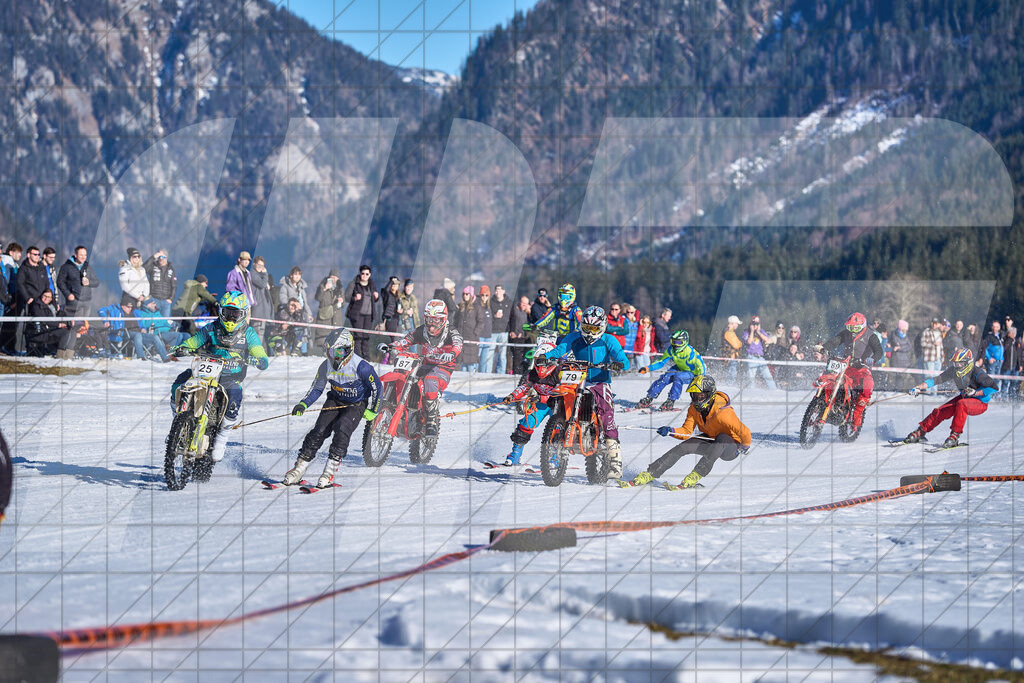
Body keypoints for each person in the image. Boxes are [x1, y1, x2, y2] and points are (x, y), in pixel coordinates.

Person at [169, 292, 269, 463]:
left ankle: (222, 438)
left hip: (231, 375)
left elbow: (261, 355)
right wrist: (182, 348)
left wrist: (258, 359)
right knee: (179, 382)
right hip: (205, 370)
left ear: (243, 314)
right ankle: (177, 427)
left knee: (235, 394)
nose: (230, 318)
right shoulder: (212, 328)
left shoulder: (249, 333)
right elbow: (193, 341)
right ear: (221, 312)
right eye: (227, 313)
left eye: (235, 314)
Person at [282, 328, 382, 488]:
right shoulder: (325, 366)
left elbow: (377, 387)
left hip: (356, 404)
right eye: (330, 351)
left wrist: (374, 410)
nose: (334, 356)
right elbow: (316, 388)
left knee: (342, 429)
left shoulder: (361, 367)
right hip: (335, 400)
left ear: (349, 349)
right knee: (319, 431)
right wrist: (303, 404)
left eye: (339, 352)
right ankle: (298, 469)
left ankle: (328, 473)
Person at [542, 306, 630, 479]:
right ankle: (558, 427)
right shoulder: (574, 337)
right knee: (560, 397)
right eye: (587, 328)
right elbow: (561, 349)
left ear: (602, 327)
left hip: (599, 381)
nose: (590, 333)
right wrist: (546, 356)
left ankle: (615, 462)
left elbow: (623, 359)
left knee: (606, 414)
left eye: (594, 329)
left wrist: (619, 364)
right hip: (575, 378)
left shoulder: (609, 340)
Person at [623, 376, 751, 489]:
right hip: (711, 440)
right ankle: (650, 473)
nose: (697, 399)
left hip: (730, 447)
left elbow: (745, 432)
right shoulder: (693, 409)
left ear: (709, 394)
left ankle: (695, 476)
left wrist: (744, 446)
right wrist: (670, 431)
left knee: (722, 438)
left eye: (701, 396)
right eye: (694, 396)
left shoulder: (723, 412)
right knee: (683, 447)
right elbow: (686, 431)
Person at [388, 299, 464, 437]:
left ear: (443, 319)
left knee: (430, 380)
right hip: (425, 364)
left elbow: (458, 343)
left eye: (436, 320)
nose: (432, 324)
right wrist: (395, 346)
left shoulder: (450, 331)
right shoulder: (422, 330)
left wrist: (452, 353)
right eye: (429, 319)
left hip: (443, 368)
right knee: (403, 375)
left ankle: (431, 422)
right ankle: (394, 407)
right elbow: (408, 339)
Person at [901, 348, 998, 449]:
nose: (957, 366)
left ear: (967, 363)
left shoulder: (977, 372)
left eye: (960, 363)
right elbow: (936, 380)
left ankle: (955, 436)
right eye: (956, 363)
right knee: (941, 410)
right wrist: (918, 387)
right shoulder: (954, 371)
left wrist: (976, 392)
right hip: (965, 398)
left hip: (980, 402)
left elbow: (994, 387)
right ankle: (921, 431)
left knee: (962, 404)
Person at [811, 312, 882, 432]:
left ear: (861, 326)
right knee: (830, 376)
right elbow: (835, 341)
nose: (851, 330)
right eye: (849, 327)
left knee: (867, 385)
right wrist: (825, 348)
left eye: (854, 327)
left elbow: (879, 351)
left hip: (861, 368)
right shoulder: (846, 333)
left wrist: (872, 359)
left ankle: (856, 419)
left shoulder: (871, 336)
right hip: (846, 365)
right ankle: (820, 404)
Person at [499, 342, 560, 465]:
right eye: (537, 361)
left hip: (558, 405)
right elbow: (525, 387)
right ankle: (515, 454)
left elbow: (563, 392)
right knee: (526, 423)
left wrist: (542, 398)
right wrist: (512, 396)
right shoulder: (533, 373)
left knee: (558, 429)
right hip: (540, 405)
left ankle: (556, 456)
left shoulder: (559, 372)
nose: (540, 365)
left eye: (542, 361)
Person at [636, 330, 706, 411]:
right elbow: (661, 362)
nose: (675, 345)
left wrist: (700, 379)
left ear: (685, 342)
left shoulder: (691, 353)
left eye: (678, 342)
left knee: (678, 377)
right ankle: (649, 398)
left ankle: (671, 401)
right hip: (680, 368)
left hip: (693, 373)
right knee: (665, 377)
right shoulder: (671, 350)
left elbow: (701, 367)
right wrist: (647, 368)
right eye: (673, 341)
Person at [55, 245, 98, 360]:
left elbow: (96, 282)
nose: (83, 257)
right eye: (81, 255)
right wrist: (68, 294)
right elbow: (60, 282)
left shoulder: (87, 267)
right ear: (75, 255)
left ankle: (72, 353)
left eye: (85, 255)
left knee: (82, 329)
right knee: (71, 328)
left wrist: (89, 282)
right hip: (74, 302)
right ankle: (61, 354)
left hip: (87, 301)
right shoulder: (67, 267)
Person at [344, 265, 377, 358]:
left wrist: (376, 297)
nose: (365, 275)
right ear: (360, 273)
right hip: (357, 314)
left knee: (365, 337)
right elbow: (346, 297)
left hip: (369, 315)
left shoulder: (372, 285)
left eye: (367, 274)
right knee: (358, 337)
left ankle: (366, 357)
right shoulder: (354, 283)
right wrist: (354, 298)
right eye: (363, 273)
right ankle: (357, 357)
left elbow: (374, 300)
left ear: (370, 275)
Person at [741, 315, 777, 390]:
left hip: (760, 357)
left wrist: (758, 332)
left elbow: (767, 340)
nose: (755, 325)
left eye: (757, 324)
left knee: (767, 375)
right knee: (751, 376)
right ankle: (751, 391)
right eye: (754, 323)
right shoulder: (746, 332)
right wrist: (752, 331)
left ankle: (773, 390)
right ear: (750, 323)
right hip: (751, 357)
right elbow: (749, 342)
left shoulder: (761, 331)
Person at [26, 290, 66, 356]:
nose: (47, 298)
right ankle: (60, 355)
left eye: (49, 297)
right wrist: (59, 325)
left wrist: (66, 322)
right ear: (41, 295)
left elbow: (57, 317)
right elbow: (44, 320)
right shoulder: (37, 305)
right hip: (41, 331)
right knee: (65, 333)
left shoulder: (52, 306)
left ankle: (65, 355)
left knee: (70, 331)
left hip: (51, 328)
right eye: (45, 296)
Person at [454, 286, 483, 372]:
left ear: (471, 295)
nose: (465, 296)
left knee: (470, 365)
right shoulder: (460, 307)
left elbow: (481, 322)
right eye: (464, 294)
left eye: (467, 294)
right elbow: (455, 321)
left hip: (471, 339)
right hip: (461, 339)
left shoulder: (477, 307)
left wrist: (475, 333)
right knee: (462, 364)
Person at [314, 269, 345, 348]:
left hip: (336, 318)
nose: (333, 279)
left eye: (335, 277)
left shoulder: (340, 288)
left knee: (336, 341)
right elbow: (318, 298)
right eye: (332, 277)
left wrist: (341, 301)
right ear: (329, 277)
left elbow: (343, 303)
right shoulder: (322, 285)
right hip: (325, 317)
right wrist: (324, 289)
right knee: (324, 341)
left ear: (338, 278)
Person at [144, 249, 178, 319]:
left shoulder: (171, 269)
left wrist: (171, 299)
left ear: (166, 257)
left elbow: (174, 285)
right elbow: (143, 269)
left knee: (165, 323)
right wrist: (153, 257)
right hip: (154, 299)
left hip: (166, 301)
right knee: (152, 321)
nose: (160, 259)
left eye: (162, 257)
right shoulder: (153, 266)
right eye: (159, 257)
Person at [249, 256, 274, 341]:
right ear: (254, 264)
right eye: (259, 265)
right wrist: (265, 274)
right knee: (256, 333)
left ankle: (259, 352)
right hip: (257, 310)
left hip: (264, 310)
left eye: (262, 266)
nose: (260, 268)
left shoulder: (261, 276)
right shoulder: (252, 274)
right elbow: (262, 284)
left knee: (262, 334)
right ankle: (254, 353)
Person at [489, 284, 512, 374]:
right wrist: (494, 316)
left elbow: (512, 317)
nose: (497, 291)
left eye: (499, 289)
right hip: (493, 332)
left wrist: (511, 330)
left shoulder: (509, 302)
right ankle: (487, 373)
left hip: (504, 332)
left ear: (503, 291)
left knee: (502, 355)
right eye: (496, 290)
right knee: (490, 354)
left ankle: (501, 373)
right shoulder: (491, 302)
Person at [476, 285, 496, 373]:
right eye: (483, 295)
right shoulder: (477, 306)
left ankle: (482, 375)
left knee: (484, 360)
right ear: (480, 296)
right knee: (476, 358)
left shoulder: (489, 307)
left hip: (488, 336)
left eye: (486, 295)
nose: (484, 297)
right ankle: (474, 374)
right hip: (479, 336)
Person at [508, 296, 530, 374]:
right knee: (516, 356)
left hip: (523, 337)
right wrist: (512, 331)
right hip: (516, 336)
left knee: (521, 357)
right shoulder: (514, 310)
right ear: (519, 302)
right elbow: (511, 321)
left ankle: (519, 372)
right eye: (523, 303)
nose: (524, 305)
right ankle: (515, 372)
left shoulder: (526, 312)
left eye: (526, 304)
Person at [721, 315, 742, 381]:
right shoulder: (728, 332)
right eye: (737, 324)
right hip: (730, 357)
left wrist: (739, 344)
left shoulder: (730, 331)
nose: (737, 325)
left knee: (731, 374)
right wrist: (739, 344)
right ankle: (729, 388)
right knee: (731, 375)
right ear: (733, 323)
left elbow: (739, 343)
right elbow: (737, 345)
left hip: (731, 357)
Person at [1002, 326, 1021, 398]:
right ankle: (1003, 399)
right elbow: (1005, 348)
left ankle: (1012, 398)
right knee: (1005, 383)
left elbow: (1019, 354)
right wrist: (1009, 339)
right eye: (1012, 333)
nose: (1013, 334)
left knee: (1014, 383)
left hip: (1015, 366)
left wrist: (1020, 365)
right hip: (1007, 365)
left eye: (1014, 333)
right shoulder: (1006, 340)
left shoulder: (1017, 342)